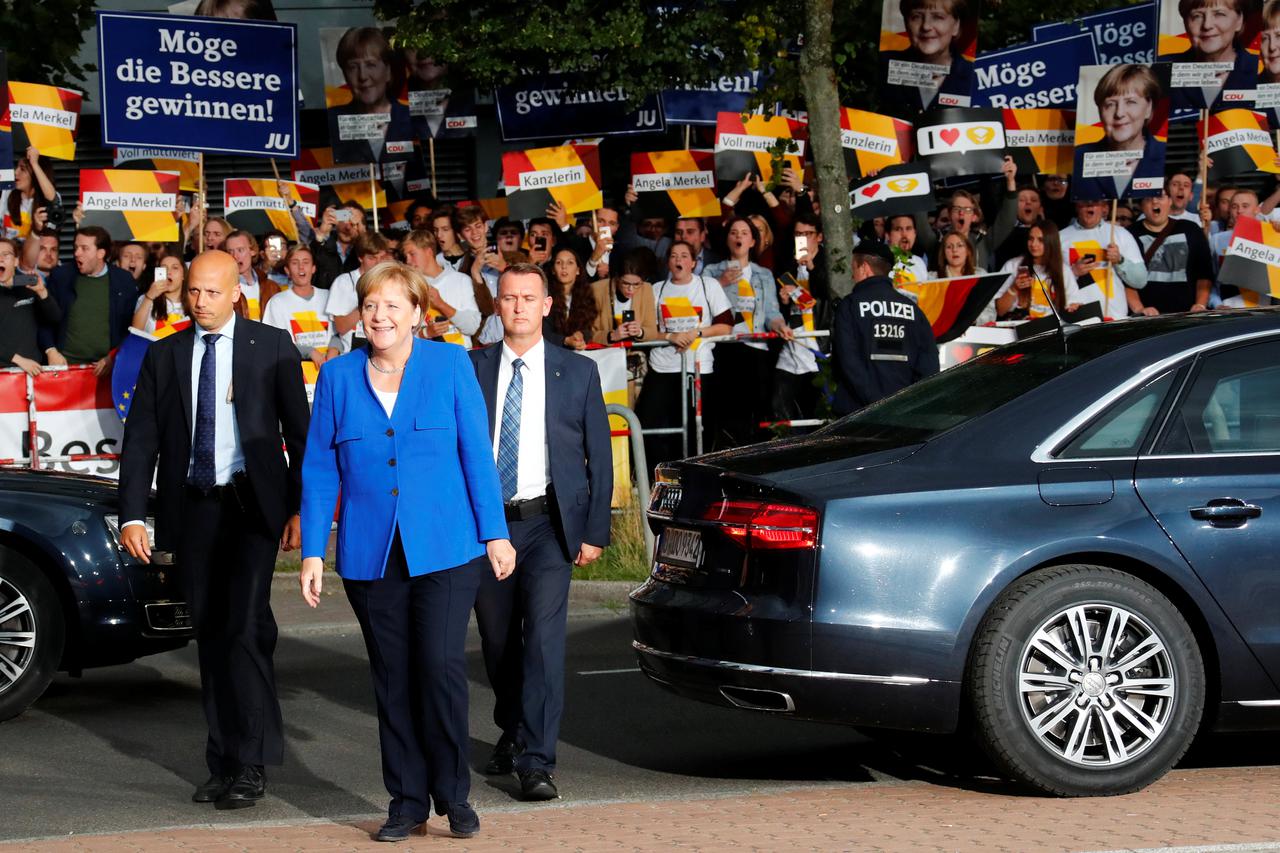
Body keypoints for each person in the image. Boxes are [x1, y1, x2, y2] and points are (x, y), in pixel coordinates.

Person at [299, 260, 513, 841]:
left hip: (446, 547)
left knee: (440, 669)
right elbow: (320, 467)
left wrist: (496, 532)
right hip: (371, 554)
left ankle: (455, 795)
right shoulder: (339, 377)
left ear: (419, 314)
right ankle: (406, 800)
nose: (380, 315)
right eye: (371, 305)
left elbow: (476, 453)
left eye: (394, 305)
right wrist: (313, 550)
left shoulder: (449, 365)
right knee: (392, 678)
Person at [118, 250, 309, 811]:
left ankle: (250, 764)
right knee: (212, 634)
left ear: (235, 294)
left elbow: (300, 438)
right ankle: (223, 759)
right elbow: (142, 437)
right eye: (192, 291)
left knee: (245, 627)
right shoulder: (166, 354)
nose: (198, 301)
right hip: (191, 509)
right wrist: (133, 513)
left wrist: (301, 511)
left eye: (209, 292)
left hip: (251, 507)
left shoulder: (271, 348)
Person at [469, 262, 612, 803]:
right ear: (497, 305)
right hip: (488, 527)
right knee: (499, 641)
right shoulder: (473, 368)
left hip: (550, 527)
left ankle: (536, 760)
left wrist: (593, 530)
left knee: (545, 645)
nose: (520, 307)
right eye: (509, 298)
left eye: (530, 297)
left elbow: (599, 456)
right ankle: (512, 728)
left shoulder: (577, 372)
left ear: (547, 305)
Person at [634, 241, 733, 465]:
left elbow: (726, 325)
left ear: (694, 262)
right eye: (674, 256)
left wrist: (696, 332)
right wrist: (671, 337)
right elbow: (646, 331)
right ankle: (658, 475)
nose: (679, 260)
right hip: (662, 367)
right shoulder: (656, 289)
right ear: (667, 261)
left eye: (684, 256)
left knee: (697, 428)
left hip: (698, 368)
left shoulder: (708, 286)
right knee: (653, 425)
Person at [704, 217, 791, 447]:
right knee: (727, 411)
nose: (739, 236)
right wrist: (720, 283)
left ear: (753, 241)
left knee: (755, 409)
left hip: (756, 348)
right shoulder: (712, 271)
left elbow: (772, 312)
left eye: (744, 233)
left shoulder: (763, 274)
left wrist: (781, 326)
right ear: (727, 239)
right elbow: (702, 306)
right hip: (726, 347)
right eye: (733, 232)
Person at [831, 241, 939, 417]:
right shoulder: (913, 310)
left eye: (854, 268)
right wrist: (908, 404)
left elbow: (846, 362)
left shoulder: (850, 306)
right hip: (905, 415)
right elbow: (929, 364)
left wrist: (877, 403)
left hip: (857, 416)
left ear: (864, 268)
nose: (852, 275)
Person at [40, 226, 137, 376]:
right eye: (76, 247)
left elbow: (131, 328)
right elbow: (44, 318)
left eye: (84, 248)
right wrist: (51, 350)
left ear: (101, 253)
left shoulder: (124, 281)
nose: (77, 253)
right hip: (65, 368)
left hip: (107, 371)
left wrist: (115, 356)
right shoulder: (61, 276)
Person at [1072, 64, 1168, 201]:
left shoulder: (1165, 155)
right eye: (1110, 104)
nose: (1119, 113)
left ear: (1148, 108)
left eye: (1131, 102)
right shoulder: (1078, 158)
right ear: (1100, 110)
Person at [327, 27, 415, 167]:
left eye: (371, 65)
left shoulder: (412, 118)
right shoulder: (331, 122)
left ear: (388, 71)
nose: (362, 76)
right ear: (345, 75)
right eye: (353, 67)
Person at [879, 0, 975, 115]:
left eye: (938, 17)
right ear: (906, 23)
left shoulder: (974, 76)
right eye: (916, 17)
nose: (926, 26)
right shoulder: (882, 66)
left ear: (956, 25)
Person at [1127, 190, 1215, 315]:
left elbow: (1204, 273)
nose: (1155, 201)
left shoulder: (1191, 229)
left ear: (1169, 201)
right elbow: (1126, 278)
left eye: (1160, 196)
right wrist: (1139, 309)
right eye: (1149, 198)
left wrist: (1200, 304)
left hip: (1188, 314)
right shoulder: (1128, 234)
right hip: (1147, 317)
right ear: (1141, 205)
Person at [1060, 200, 1149, 319]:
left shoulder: (1120, 233)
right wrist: (1073, 273)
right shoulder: (1060, 238)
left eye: (1095, 201)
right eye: (1085, 201)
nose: (1090, 205)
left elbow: (1140, 281)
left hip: (1115, 319)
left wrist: (1120, 260)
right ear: (1076, 205)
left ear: (1104, 208)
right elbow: (1048, 285)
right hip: (1077, 321)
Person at [1166, 0, 1255, 113]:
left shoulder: (1262, 70)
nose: (1207, 25)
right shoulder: (1162, 69)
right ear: (1185, 22)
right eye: (1197, 16)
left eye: (1219, 14)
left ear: (1239, 21)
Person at [401, 229, 481, 348]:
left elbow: (472, 327)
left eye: (412, 254)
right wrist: (425, 333)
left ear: (428, 251)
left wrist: (441, 304)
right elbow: (401, 335)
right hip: (427, 358)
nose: (408, 261)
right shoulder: (408, 287)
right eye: (406, 256)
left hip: (461, 356)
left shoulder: (461, 280)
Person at [262, 247, 332, 369]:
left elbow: (339, 333)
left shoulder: (328, 296)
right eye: (295, 263)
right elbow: (274, 343)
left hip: (328, 374)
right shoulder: (277, 302)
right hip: (297, 377)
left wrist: (334, 350)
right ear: (287, 270)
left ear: (314, 268)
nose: (301, 267)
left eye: (306, 262)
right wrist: (309, 351)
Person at [0, 236, 60, 376]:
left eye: (6, 255)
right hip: (4, 374)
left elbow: (54, 319)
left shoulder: (28, 287)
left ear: (15, 261)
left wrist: (42, 292)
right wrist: (18, 360)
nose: (1, 259)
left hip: (32, 372)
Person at [326, 232, 391, 353]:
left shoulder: (390, 282)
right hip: (354, 352)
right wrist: (367, 303)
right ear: (360, 257)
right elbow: (341, 327)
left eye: (381, 258)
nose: (378, 263)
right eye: (372, 258)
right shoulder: (344, 282)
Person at [995, 220, 1072, 320]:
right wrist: (1014, 288)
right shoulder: (1013, 265)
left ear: (1051, 242)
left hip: (1051, 329)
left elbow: (1073, 305)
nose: (1033, 244)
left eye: (1040, 240)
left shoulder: (1063, 270)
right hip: (1018, 328)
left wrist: (1073, 307)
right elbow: (1000, 311)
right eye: (1031, 239)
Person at [589, 253, 660, 345]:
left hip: (634, 352)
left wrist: (639, 332)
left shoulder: (646, 289)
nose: (631, 289)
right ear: (617, 278)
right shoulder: (597, 290)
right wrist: (612, 335)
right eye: (626, 283)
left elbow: (652, 332)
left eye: (636, 284)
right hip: (606, 353)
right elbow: (587, 332)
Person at [546, 246, 597, 350]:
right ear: (553, 270)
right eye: (559, 262)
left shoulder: (585, 295)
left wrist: (581, 335)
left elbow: (590, 328)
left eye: (570, 263)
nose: (564, 267)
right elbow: (543, 332)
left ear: (578, 270)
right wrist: (565, 340)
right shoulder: (545, 296)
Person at [2, 147, 58, 240]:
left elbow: (52, 199)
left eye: (22, 169)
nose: (16, 172)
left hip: (37, 252)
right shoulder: (7, 193)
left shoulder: (49, 196)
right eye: (17, 167)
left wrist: (34, 163)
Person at [224, 230, 280, 321]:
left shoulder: (271, 287)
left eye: (240, 250)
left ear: (252, 251)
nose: (235, 256)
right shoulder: (224, 288)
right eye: (230, 252)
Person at [311, 201, 366, 290]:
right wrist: (322, 232)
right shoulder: (322, 245)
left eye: (354, 223)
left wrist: (362, 234)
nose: (348, 227)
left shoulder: (364, 253)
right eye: (345, 218)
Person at [131, 252, 190, 336]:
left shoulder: (192, 301)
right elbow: (136, 330)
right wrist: (149, 298)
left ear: (183, 275)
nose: (169, 272)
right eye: (164, 268)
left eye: (175, 268)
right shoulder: (146, 298)